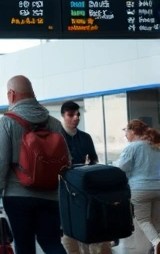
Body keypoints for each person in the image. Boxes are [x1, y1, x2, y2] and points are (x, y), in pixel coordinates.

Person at [0, 76, 67, 254]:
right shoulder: (53, 123)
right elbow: (66, 160)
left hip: (18, 196)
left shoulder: (7, 122)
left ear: (11, 94)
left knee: (24, 246)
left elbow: (0, 164)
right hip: (50, 195)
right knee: (52, 242)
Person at [59, 101, 108, 254]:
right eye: (71, 115)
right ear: (63, 116)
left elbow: (93, 161)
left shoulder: (85, 137)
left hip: (84, 188)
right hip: (64, 189)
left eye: (78, 114)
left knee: (88, 223)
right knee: (70, 228)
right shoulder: (57, 137)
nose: (75, 118)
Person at [115, 119, 160, 254]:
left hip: (140, 189)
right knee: (156, 220)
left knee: (143, 220)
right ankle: (155, 246)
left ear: (133, 131)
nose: (126, 135)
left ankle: (157, 243)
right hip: (158, 188)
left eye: (126, 131)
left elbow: (120, 169)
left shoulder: (132, 147)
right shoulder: (155, 146)